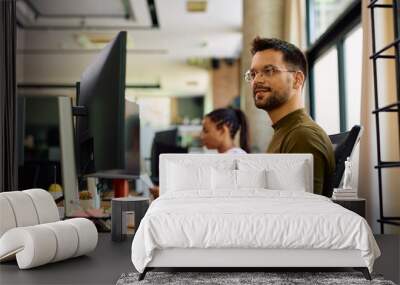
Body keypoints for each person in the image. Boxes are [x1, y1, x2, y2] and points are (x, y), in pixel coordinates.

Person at [245, 37, 335, 196]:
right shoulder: (285, 130)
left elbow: (303, 215)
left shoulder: (302, 135)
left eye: (269, 71)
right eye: (253, 74)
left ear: (297, 79)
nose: (257, 80)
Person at [149, 107, 249, 198]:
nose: (201, 136)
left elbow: (211, 196)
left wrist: (167, 193)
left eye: (205, 130)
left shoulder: (234, 158)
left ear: (223, 130)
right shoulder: (225, 157)